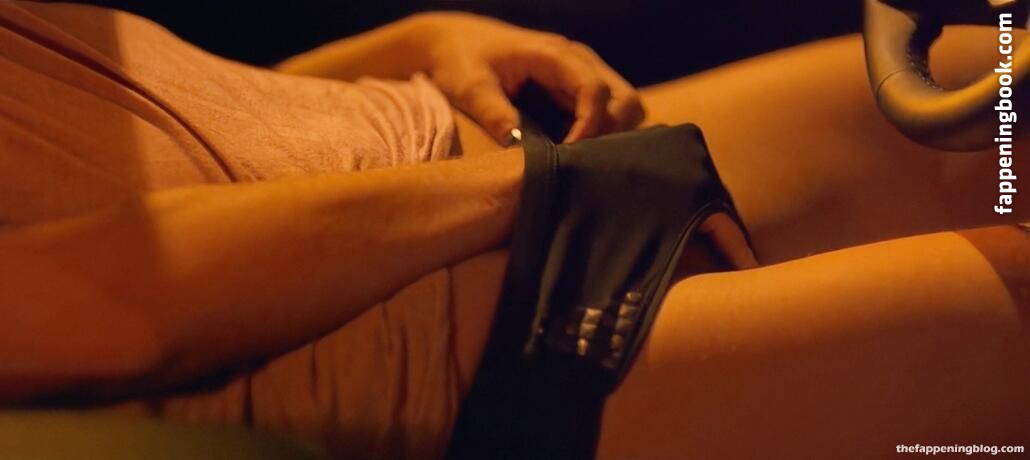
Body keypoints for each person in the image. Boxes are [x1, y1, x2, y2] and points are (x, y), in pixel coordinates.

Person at [0, 1, 1026, 458]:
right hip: (470, 342)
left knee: (996, 90)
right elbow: (105, 311)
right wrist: (525, 190)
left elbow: (126, 131)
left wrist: (416, 42)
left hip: (502, 174)